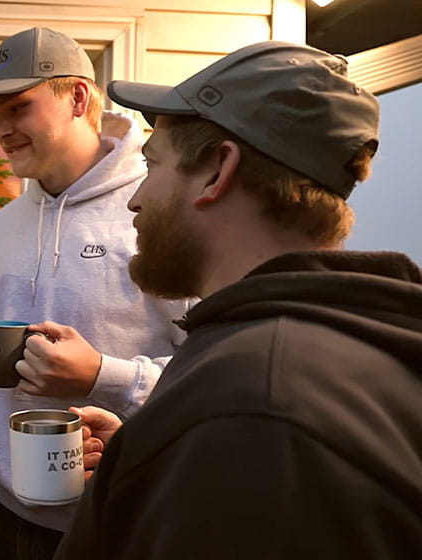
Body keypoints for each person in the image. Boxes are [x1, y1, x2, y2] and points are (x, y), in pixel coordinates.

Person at [55, 40, 422, 558]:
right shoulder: (308, 363)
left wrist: (210, 439)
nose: (136, 198)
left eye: (152, 165)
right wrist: (154, 458)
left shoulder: (254, 409)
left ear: (216, 171)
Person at [0, 27, 192, 558]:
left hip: (122, 518)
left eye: (17, 109)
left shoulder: (156, 210)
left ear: (77, 98)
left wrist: (105, 376)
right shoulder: (2, 227)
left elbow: (212, 365)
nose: (1, 132)